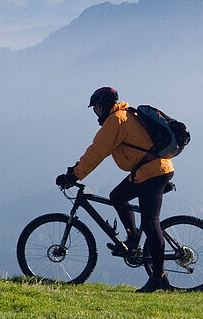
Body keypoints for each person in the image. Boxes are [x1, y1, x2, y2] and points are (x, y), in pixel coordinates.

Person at [56, 87, 175, 293]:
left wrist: (74, 175)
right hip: (149, 170)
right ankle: (133, 237)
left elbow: (96, 152)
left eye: (96, 109)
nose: (96, 113)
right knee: (117, 196)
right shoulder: (126, 114)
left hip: (153, 173)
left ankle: (159, 277)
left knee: (150, 221)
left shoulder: (116, 121)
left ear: (104, 107)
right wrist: (76, 170)